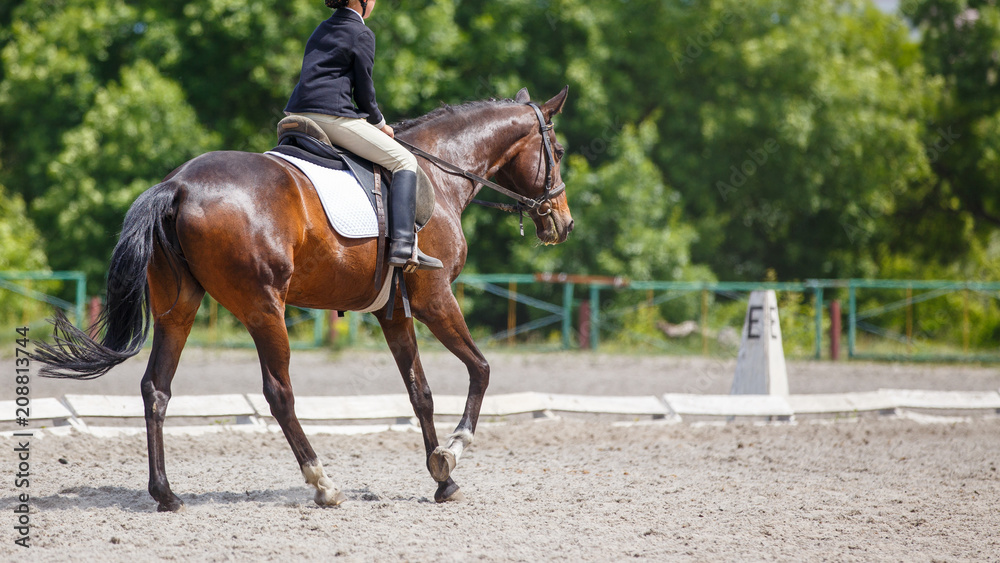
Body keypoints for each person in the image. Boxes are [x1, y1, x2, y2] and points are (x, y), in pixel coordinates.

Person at [285, 0, 442, 271]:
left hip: (296, 115)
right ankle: (404, 245)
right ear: (362, 1)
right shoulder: (361, 33)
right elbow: (364, 92)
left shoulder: (322, 28)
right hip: (331, 117)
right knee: (404, 161)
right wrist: (380, 124)